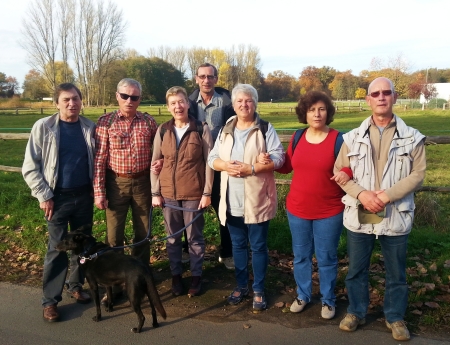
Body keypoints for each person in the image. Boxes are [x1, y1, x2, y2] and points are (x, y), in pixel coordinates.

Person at [334, 77, 426, 341]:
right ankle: (356, 311)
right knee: (356, 269)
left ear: (395, 97)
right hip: (360, 212)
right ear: (368, 100)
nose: (382, 97)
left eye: (387, 93)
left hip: (395, 213)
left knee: (396, 272)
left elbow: (417, 174)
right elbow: (339, 172)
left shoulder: (412, 137)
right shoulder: (351, 138)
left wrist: (385, 196)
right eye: (376, 93)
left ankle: (395, 317)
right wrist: (362, 194)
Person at [272, 91, 351, 320]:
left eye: (322, 109)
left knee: (326, 257)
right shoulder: (297, 138)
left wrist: (346, 172)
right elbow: (287, 166)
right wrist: (271, 162)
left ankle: (328, 300)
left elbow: (351, 165)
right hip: (298, 209)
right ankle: (303, 295)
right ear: (304, 113)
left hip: (329, 210)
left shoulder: (339, 139)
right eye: (312, 110)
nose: (317, 114)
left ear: (328, 112)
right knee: (301, 256)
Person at [22, 83, 96, 322]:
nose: (71, 104)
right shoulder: (44, 127)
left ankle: (76, 285)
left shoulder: (89, 127)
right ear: (57, 103)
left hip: (84, 196)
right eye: (66, 100)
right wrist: (44, 195)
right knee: (57, 249)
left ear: (81, 101)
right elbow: (30, 167)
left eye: (75, 99)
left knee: (81, 246)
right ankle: (50, 301)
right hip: (57, 199)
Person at [207, 83, 284, 311]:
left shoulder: (265, 128)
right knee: (238, 246)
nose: (244, 104)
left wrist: (253, 168)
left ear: (255, 103)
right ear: (233, 104)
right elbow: (212, 157)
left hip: (257, 199)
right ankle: (241, 285)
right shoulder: (225, 130)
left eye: (248, 100)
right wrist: (224, 165)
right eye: (239, 101)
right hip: (231, 201)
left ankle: (258, 289)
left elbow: (279, 159)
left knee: (259, 247)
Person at [151, 86, 214, 297]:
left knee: (195, 238)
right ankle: (176, 276)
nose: (177, 106)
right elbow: (155, 163)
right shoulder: (163, 130)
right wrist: (155, 192)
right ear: (168, 107)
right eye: (173, 103)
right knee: (172, 238)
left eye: (180, 102)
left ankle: (196, 277)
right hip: (168, 194)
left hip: (194, 193)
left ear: (188, 103)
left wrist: (207, 193)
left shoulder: (200, 129)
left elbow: (209, 163)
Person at [93, 78, 158, 269]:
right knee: (114, 234)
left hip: (142, 183)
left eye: (134, 97)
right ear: (117, 96)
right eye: (125, 96)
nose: (129, 100)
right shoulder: (106, 122)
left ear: (140, 99)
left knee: (143, 231)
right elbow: (99, 159)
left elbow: (159, 152)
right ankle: (116, 275)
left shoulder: (148, 122)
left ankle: (139, 272)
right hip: (116, 184)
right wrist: (99, 192)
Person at [188, 63, 236, 269]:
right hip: (193, 167)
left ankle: (226, 253)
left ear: (216, 79)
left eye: (210, 76)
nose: (206, 80)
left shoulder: (227, 103)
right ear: (196, 79)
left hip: (219, 166)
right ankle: (186, 251)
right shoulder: (188, 104)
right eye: (202, 77)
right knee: (188, 211)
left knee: (224, 211)